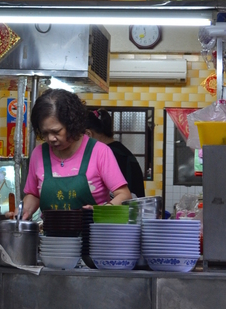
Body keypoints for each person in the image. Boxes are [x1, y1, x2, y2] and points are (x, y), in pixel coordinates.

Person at [21, 89, 132, 219]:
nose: (51, 138)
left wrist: (101, 211)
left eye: (56, 132)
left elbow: (124, 195)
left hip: (92, 235)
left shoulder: (100, 152)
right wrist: (24, 212)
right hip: (50, 237)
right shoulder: (38, 154)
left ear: (72, 124)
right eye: (45, 133)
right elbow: (34, 194)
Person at [86, 108, 146, 199]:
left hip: (123, 210)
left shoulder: (109, 154)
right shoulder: (120, 150)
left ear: (88, 134)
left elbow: (122, 195)